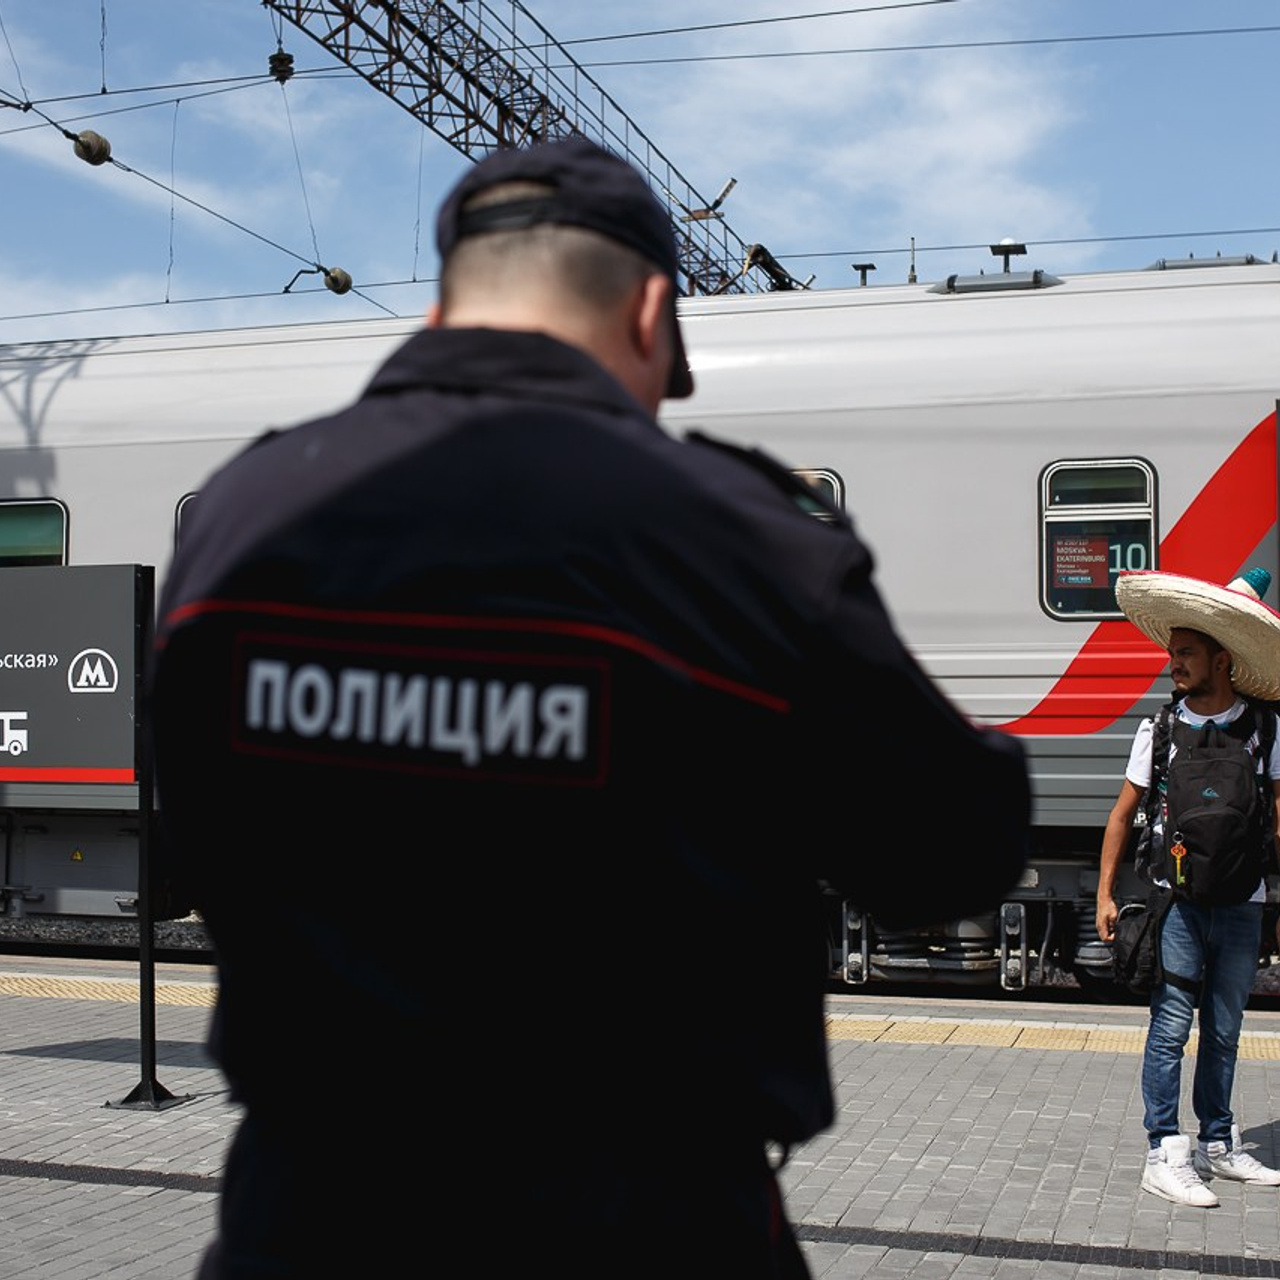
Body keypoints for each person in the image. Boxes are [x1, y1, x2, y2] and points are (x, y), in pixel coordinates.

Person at [149, 136, 1032, 1278]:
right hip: (641, 1225)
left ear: (443, 300)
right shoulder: (739, 540)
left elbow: (197, 836)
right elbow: (943, 862)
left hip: (300, 1221)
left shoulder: (234, 516)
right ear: (651, 310)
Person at [1097, 567, 1280, 1208]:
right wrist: (1105, 895)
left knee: (1226, 1027)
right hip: (1176, 902)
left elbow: (1279, 813)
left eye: (1186, 654)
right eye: (1172, 653)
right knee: (1171, 1025)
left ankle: (1219, 1145)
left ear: (1221, 659)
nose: (1173, 664)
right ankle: (1164, 1151)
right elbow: (1121, 815)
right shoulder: (1159, 729)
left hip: (1243, 899)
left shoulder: (1265, 729)